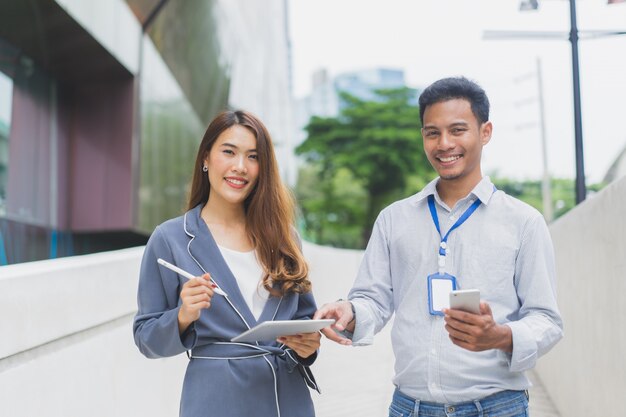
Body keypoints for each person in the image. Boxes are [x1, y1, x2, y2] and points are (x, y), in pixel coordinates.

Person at [314, 77, 563, 417]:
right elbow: (373, 299)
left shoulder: (524, 222)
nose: (444, 143)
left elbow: (546, 320)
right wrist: (351, 312)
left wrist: (500, 336)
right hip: (410, 407)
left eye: (458, 130)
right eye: (433, 133)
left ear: (485, 132)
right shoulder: (393, 220)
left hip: (497, 407)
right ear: (423, 138)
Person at [133, 110, 321, 417]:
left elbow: (304, 320)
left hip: (287, 400)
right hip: (217, 401)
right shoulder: (170, 239)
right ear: (206, 158)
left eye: (253, 156)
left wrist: (308, 347)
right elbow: (146, 338)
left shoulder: (285, 238)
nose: (240, 167)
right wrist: (182, 316)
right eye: (229, 152)